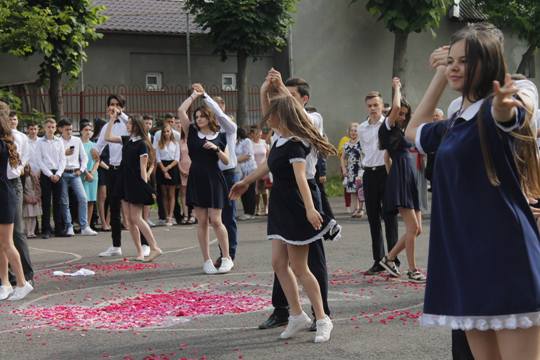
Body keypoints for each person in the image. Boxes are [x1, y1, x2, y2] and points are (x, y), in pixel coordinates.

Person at [405, 24, 540, 360]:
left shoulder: (497, 109)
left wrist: (503, 108)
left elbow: (509, 115)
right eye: (450, 60)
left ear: (488, 63)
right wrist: (441, 73)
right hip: (465, 262)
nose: (454, 66)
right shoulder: (453, 124)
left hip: (506, 259)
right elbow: (412, 130)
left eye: (464, 61)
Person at [230, 92, 336, 343]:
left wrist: (311, 210)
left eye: (271, 116)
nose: (268, 120)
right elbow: (268, 166)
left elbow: (302, 179)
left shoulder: (298, 143)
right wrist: (245, 181)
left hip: (296, 205)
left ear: (282, 116)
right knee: (279, 264)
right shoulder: (278, 141)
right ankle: (297, 315)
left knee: (300, 267)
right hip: (279, 204)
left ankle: (322, 318)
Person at [177, 86, 234, 274]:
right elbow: (180, 111)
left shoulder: (221, 136)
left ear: (209, 117)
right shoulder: (192, 131)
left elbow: (227, 159)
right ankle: (207, 260)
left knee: (216, 220)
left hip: (214, 178)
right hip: (196, 177)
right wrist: (194, 95)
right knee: (201, 221)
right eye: (197, 116)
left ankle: (226, 258)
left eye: (202, 116)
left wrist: (216, 149)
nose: (198, 119)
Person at [378, 77, 424, 283]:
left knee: (418, 229)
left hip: (408, 176)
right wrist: (397, 87)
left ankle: (389, 258)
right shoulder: (387, 126)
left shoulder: (400, 131)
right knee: (412, 228)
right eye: (400, 114)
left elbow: (387, 157)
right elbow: (395, 106)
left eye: (405, 114)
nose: (402, 116)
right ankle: (413, 270)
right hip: (402, 176)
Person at [96, 95, 150, 257]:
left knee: (134, 211)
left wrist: (120, 114)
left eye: (117, 105)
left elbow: (140, 129)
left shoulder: (130, 125)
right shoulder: (107, 126)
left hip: (127, 171)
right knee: (114, 207)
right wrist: (94, 152)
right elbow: (100, 145)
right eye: (111, 105)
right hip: (112, 169)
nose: (113, 107)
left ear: (122, 107)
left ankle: (145, 244)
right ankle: (115, 245)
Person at [104, 113, 162, 262]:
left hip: (136, 183)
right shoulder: (127, 140)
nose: (126, 126)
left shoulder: (142, 143)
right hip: (124, 182)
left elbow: (143, 167)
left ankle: (154, 247)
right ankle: (139, 252)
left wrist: (144, 186)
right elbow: (108, 137)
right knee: (129, 220)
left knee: (137, 217)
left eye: (129, 123)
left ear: (136, 126)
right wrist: (111, 120)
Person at [359, 91, 399, 275]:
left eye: (376, 105)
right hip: (369, 174)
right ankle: (378, 260)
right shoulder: (361, 128)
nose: (373, 109)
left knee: (390, 217)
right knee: (373, 219)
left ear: (383, 106)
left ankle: (393, 260)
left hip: (386, 172)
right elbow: (364, 151)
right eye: (370, 105)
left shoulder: (389, 124)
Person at [0, 102, 34, 300]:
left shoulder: (3, 145)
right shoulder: (7, 143)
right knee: (2, 243)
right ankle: (5, 283)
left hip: (4, 195)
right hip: (6, 192)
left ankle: (22, 282)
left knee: (7, 242)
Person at [59, 119, 97, 236]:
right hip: (63, 173)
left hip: (75, 173)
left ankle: (84, 226)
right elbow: (54, 158)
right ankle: (69, 226)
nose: (69, 131)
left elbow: (84, 157)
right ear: (60, 129)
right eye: (67, 129)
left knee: (83, 198)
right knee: (65, 201)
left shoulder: (77, 140)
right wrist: (64, 153)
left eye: (71, 129)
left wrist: (81, 170)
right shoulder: (57, 141)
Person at [37, 118, 67, 239]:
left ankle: (59, 229)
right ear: (44, 128)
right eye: (48, 127)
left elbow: (63, 159)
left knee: (58, 201)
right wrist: (50, 174)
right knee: (46, 202)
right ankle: (46, 229)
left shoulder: (59, 141)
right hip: (46, 174)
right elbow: (40, 160)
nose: (51, 129)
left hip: (58, 173)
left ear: (56, 128)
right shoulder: (40, 142)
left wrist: (58, 174)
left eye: (53, 127)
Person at [153, 113, 181, 225]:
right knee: (163, 194)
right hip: (162, 167)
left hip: (172, 167)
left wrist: (168, 168)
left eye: (168, 131)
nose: (166, 133)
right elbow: (157, 157)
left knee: (172, 194)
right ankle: (165, 216)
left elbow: (177, 158)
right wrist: (164, 170)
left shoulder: (176, 142)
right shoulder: (159, 143)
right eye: (164, 131)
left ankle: (171, 216)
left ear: (171, 132)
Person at [340, 122, 364, 218]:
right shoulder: (346, 145)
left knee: (360, 190)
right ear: (349, 132)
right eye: (352, 131)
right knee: (353, 192)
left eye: (355, 131)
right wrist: (344, 169)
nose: (353, 132)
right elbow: (342, 158)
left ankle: (361, 209)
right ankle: (355, 209)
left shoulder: (361, 143)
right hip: (350, 171)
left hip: (360, 170)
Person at [80, 122, 100, 228]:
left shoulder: (94, 145)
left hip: (92, 176)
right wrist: (86, 173)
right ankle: (82, 223)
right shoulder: (78, 144)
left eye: (90, 130)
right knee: (83, 200)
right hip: (82, 174)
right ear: (81, 131)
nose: (88, 132)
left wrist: (92, 172)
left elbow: (97, 160)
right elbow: (78, 160)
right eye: (86, 130)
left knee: (91, 200)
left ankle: (87, 223)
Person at [236, 127, 257, 220]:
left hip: (249, 169)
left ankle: (250, 212)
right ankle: (246, 211)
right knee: (243, 191)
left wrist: (234, 160)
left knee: (250, 190)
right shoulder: (236, 143)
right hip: (241, 170)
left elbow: (248, 155)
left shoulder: (246, 141)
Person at [93, 118, 111, 231]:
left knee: (112, 196)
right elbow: (97, 158)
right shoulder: (95, 141)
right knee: (102, 196)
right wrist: (108, 167)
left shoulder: (110, 140)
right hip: (103, 170)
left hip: (112, 169)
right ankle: (103, 222)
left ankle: (109, 221)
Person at [250, 125, 269, 216]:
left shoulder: (264, 143)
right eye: (257, 133)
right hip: (254, 169)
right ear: (252, 134)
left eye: (260, 132)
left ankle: (266, 207)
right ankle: (257, 207)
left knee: (264, 190)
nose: (259, 134)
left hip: (264, 168)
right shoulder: (249, 143)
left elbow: (268, 155)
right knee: (256, 190)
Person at [178, 127, 194, 225]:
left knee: (194, 192)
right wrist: (181, 169)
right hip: (182, 168)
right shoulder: (180, 141)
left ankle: (193, 215)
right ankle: (185, 214)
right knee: (183, 193)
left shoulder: (195, 140)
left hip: (194, 169)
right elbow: (177, 156)